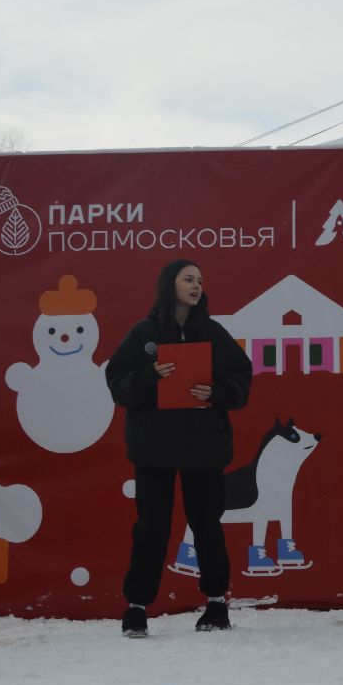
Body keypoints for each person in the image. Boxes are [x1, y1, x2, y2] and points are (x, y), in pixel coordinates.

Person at [106, 260, 252, 637]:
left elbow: (240, 376)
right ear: (168, 283)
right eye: (188, 279)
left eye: (200, 280)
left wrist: (218, 392)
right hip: (154, 450)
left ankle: (216, 604)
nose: (196, 286)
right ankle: (137, 607)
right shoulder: (143, 334)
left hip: (204, 448)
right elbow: (117, 381)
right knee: (151, 527)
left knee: (207, 526)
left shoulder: (213, 333)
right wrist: (148, 378)